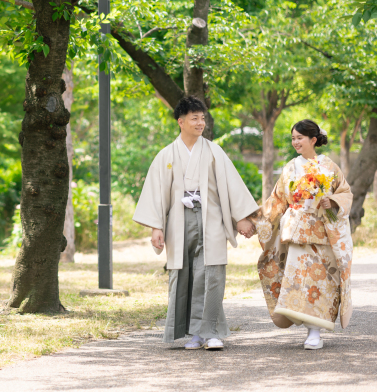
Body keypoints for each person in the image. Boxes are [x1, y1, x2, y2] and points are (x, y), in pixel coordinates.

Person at [133, 96, 259, 350]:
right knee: (184, 274)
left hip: (210, 216)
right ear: (181, 121)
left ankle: (211, 332)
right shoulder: (166, 155)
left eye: (202, 118)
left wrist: (241, 218)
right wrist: (157, 226)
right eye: (194, 118)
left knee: (211, 273)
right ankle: (194, 333)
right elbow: (157, 193)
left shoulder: (214, 151)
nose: (200, 123)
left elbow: (232, 185)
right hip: (178, 220)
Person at [237, 119, 353, 350]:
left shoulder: (329, 167)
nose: (295, 142)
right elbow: (278, 200)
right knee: (301, 281)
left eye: (300, 138)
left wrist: (332, 201)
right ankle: (309, 328)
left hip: (323, 232)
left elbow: (345, 192)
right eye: (293, 138)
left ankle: (315, 331)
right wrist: (254, 222)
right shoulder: (290, 167)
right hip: (297, 232)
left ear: (313, 139)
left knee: (321, 281)